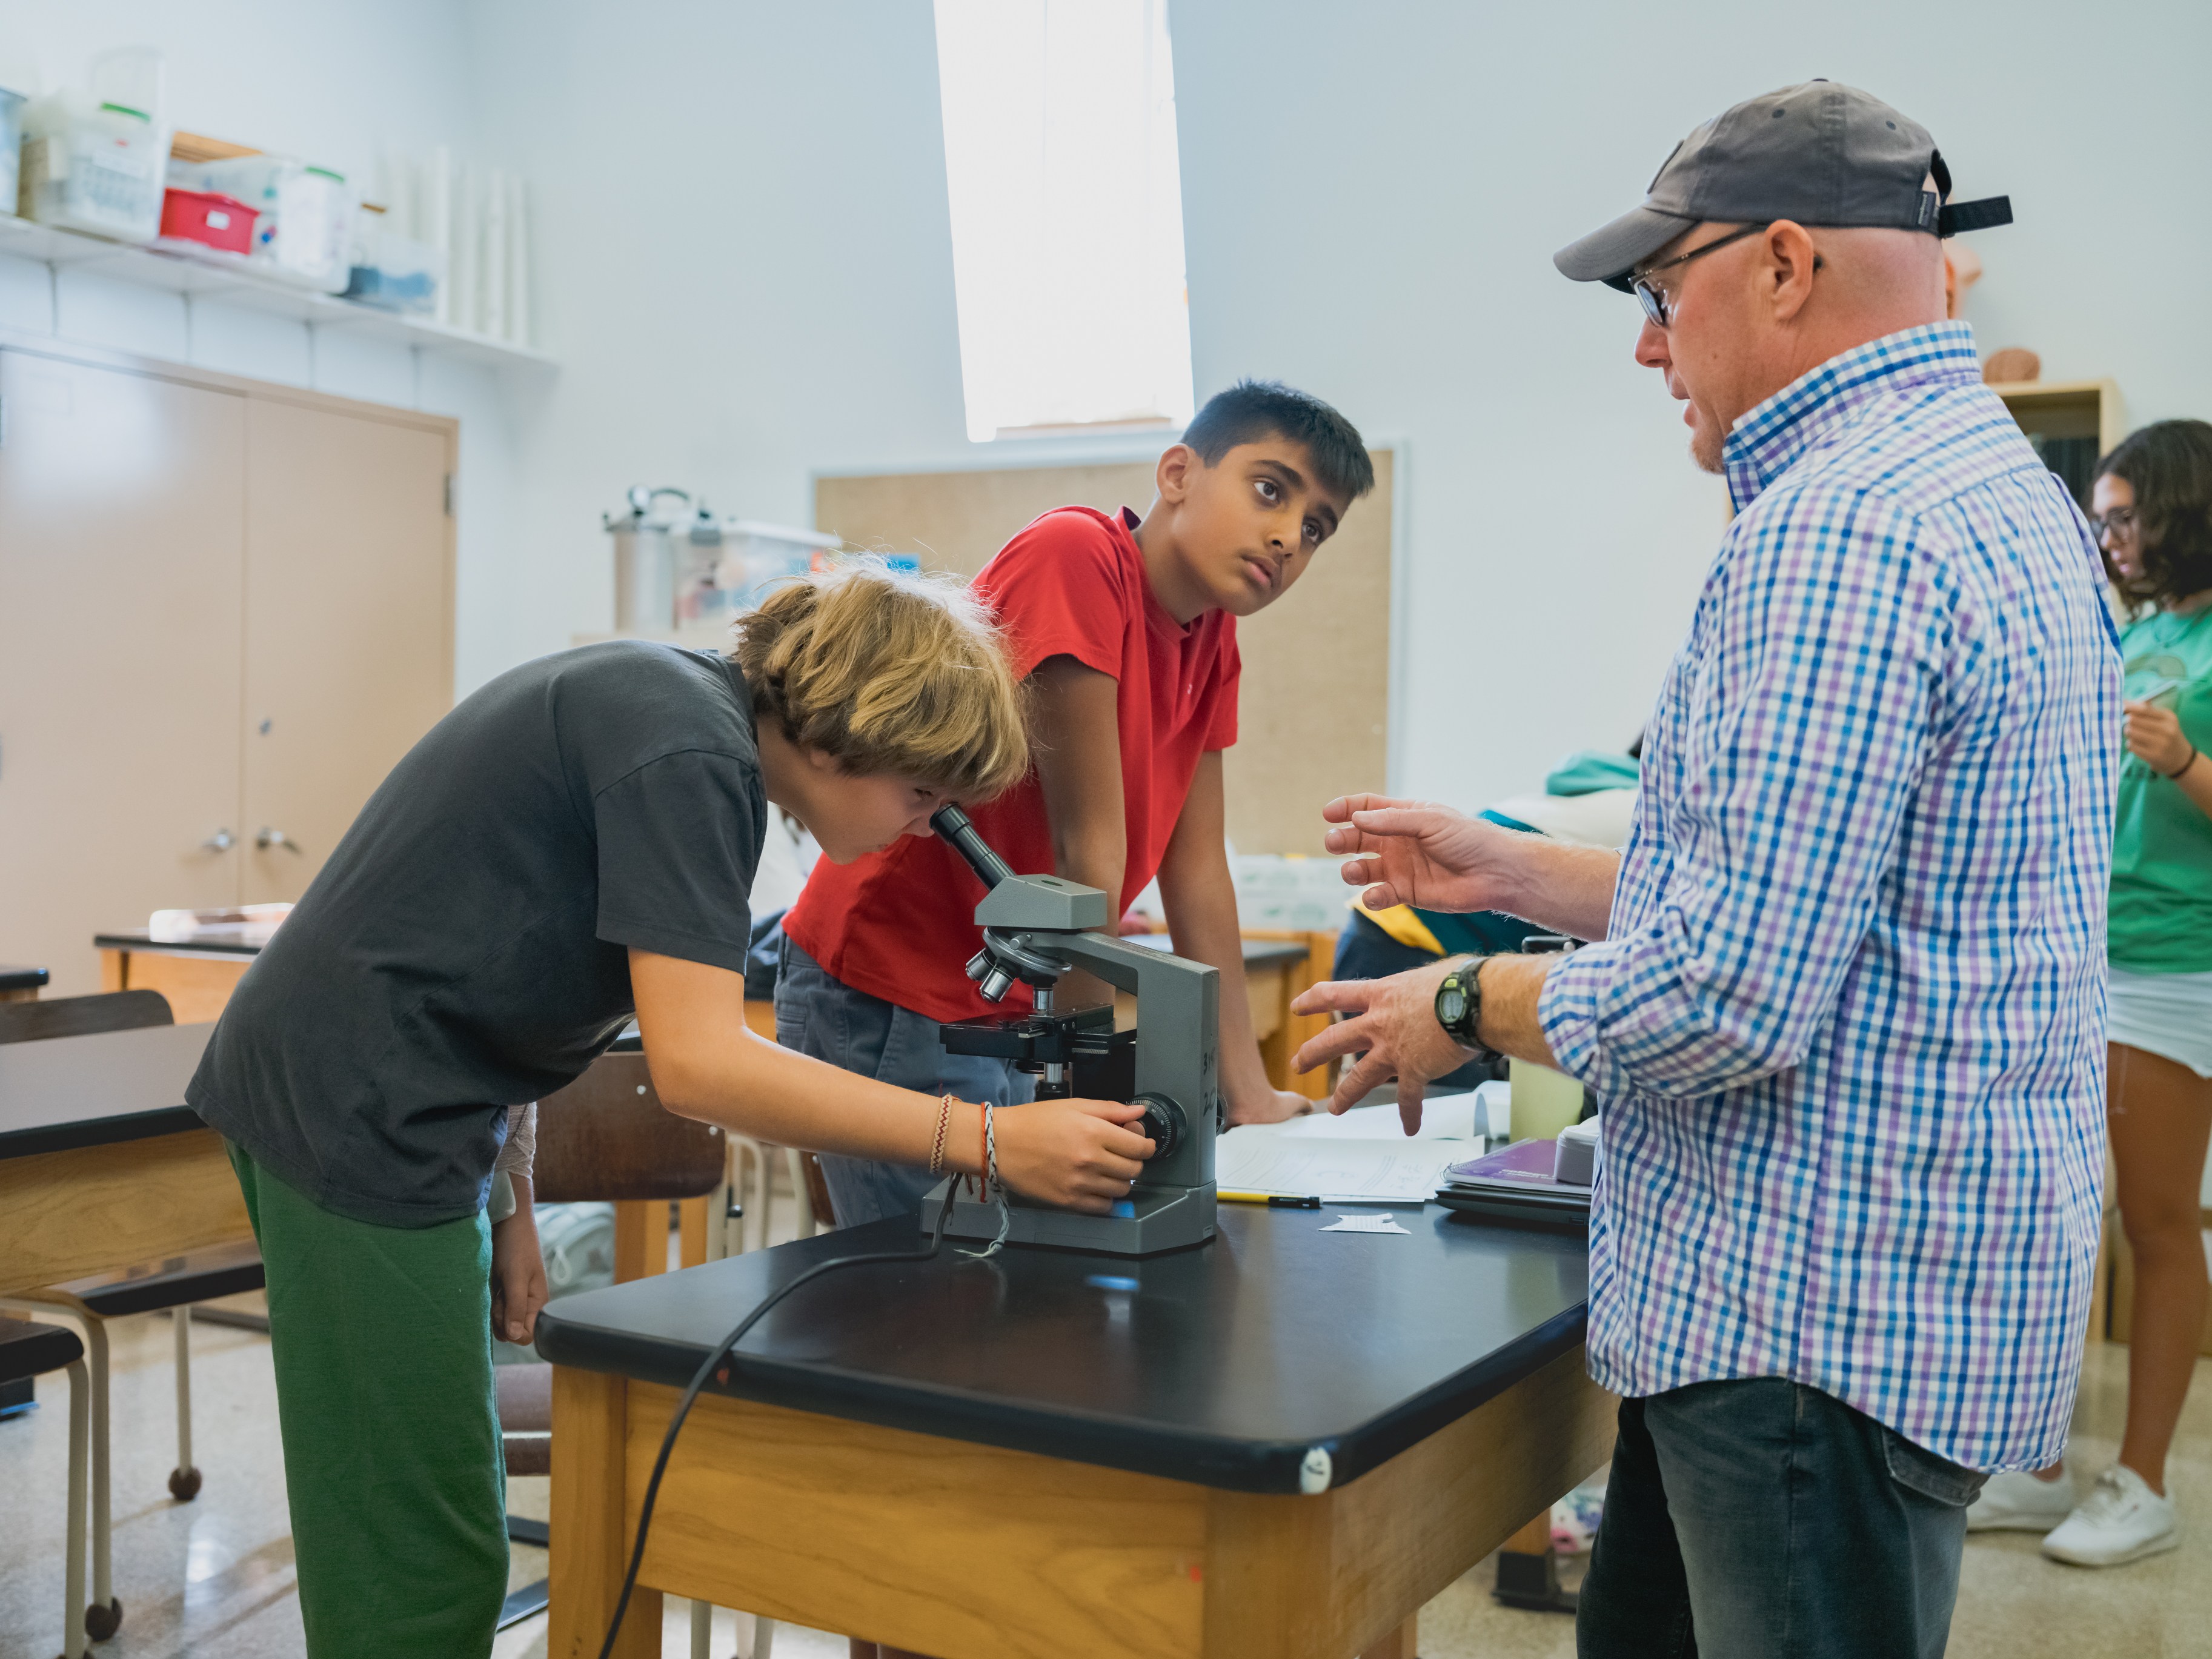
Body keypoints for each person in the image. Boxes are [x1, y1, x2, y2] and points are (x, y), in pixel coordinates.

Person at [1290, 82, 2116, 1658]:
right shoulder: (2002, 493)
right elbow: (1839, 908)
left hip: (1807, 1320)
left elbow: (1728, 994)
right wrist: (1515, 868)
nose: (1648, 347)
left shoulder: (1838, 531)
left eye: (1665, 297)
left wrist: (1460, 994)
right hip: (1864, 1291)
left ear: (1788, 267)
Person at [185, 565, 1157, 1658]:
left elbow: (501, 968)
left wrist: (509, 1203)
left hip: (417, 1109)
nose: (924, 826)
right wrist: (985, 1139)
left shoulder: (688, 723)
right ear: (850, 732)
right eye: (922, 795)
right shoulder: (691, 755)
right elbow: (698, 1064)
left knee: (442, 1496)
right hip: (353, 1108)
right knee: (417, 1552)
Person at [779, 380, 1375, 1233]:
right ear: (1177, 473)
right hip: (892, 983)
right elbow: (1085, 851)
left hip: (1005, 1000)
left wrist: (1249, 1093)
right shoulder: (1077, 556)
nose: (1287, 536)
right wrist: (1091, 1084)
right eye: (1271, 490)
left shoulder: (1214, 642)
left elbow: (1197, 867)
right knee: (934, 1312)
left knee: (1015, 1300)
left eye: (1315, 528)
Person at [1969, 419, 2212, 1563]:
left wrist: (2184, 762)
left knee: (2157, 1223)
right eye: (2101, 519)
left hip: (2178, 965)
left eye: (2125, 516)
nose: (2109, 537)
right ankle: (2039, 1464)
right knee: (2058, 1208)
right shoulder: (2144, 626)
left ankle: (2144, 1483)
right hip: (2089, 949)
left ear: (2184, 510)